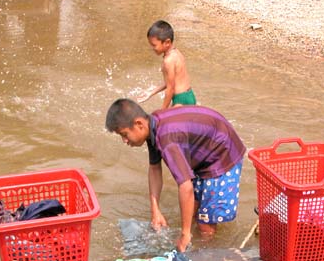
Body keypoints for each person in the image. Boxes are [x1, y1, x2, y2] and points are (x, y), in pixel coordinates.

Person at [105, 99, 246, 252]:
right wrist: (155, 210)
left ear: (139, 124)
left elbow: (186, 186)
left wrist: (185, 235)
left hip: (223, 154)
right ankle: (194, 238)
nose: (124, 140)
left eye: (124, 134)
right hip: (205, 149)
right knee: (193, 211)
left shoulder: (167, 139)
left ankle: (206, 253)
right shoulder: (153, 126)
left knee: (205, 224)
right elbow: (154, 169)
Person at [137, 20, 197, 109]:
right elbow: (171, 82)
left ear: (167, 43)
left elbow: (170, 89)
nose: (152, 48)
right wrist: (151, 93)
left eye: (154, 45)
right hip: (189, 95)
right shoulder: (176, 53)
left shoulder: (168, 61)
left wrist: (163, 111)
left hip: (180, 100)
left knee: (164, 121)